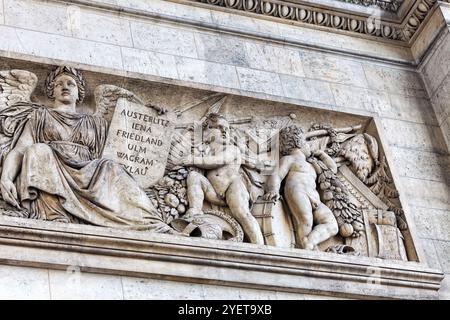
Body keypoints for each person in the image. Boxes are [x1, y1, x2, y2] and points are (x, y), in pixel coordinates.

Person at [0, 66, 175, 233]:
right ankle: (54, 214)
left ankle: (150, 221)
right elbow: (19, 150)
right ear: (51, 91)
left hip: (89, 172)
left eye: (71, 84)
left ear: (79, 93)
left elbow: (127, 141)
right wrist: (6, 178)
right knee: (38, 150)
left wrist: (147, 113)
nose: (65, 87)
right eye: (59, 84)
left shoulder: (95, 122)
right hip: (52, 169)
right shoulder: (39, 115)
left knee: (110, 166)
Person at [182, 113, 264, 245]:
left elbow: (217, 161)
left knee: (242, 213)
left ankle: (259, 244)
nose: (224, 131)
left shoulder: (232, 149)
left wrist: (192, 160)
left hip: (232, 187)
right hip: (212, 192)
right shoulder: (206, 150)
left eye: (227, 128)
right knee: (194, 177)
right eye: (219, 127)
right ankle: (195, 209)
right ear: (207, 131)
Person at [263, 125, 338, 250]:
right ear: (298, 142)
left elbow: (332, 169)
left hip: (314, 197)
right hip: (297, 191)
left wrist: (322, 155)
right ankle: (305, 246)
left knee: (332, 225)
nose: (310, 145)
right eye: (307, 142)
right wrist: (273, 190)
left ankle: (310, 242)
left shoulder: (312, 164)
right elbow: (277, 175)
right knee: (306, 221)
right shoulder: (289, 159)